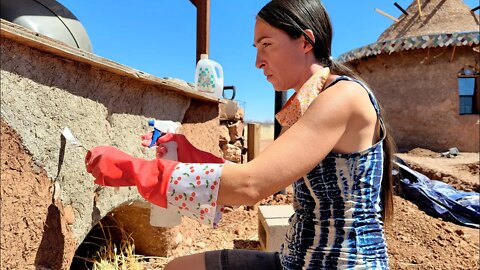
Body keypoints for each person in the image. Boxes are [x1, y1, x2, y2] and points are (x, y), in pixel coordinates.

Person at [85, 0, 396, 269]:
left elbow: (251, 184)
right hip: (294, 261)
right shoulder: (310, 103)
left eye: (266, 44)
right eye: (256, 47)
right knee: (180, 268)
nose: (258, 61)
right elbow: (257, 173)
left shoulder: (343, 98)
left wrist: (135, 170)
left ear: (305, 41)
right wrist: (191, 155)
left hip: (342, 264)